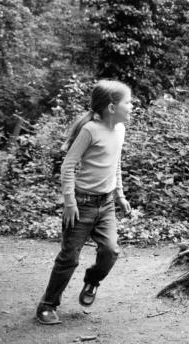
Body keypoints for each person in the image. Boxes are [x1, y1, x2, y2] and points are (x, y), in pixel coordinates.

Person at [36, 80, 133, 325]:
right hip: (82, 205)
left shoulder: (120, 130)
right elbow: (67, 166)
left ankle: (92, 281)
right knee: (69, 257)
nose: (132, 106)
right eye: (128, 102)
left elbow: (115, 164)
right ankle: (47, 305)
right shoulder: (90, 129)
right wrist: (70, 203)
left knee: (111, 251)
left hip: (107, 203)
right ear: (112, 107)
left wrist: (120, 195)